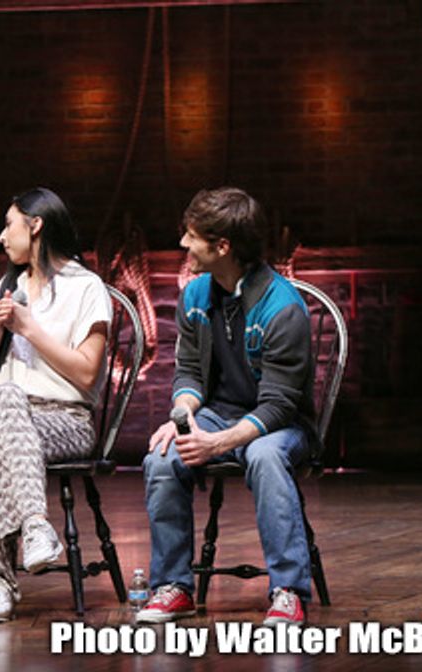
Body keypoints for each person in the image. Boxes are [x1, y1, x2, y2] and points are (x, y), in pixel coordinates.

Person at [138, 187, 317, 625]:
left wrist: (216, 443)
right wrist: (183, 418)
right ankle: (173, 586)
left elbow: (277, 406)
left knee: (265, 455)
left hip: (283, 425)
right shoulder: (196, 294)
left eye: (192, 236)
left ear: (222, 247)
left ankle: (289, 590)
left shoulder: (282, 307)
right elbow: (188, 373)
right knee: (161, 457)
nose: (183, 244)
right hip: (219, 414)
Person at [0, 187, 111, 622]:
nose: (1, 237)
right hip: (10, 411)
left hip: (65, 419)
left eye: (9, 225)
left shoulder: (86, 287)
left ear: (36, 225)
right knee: (3, 398)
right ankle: (33, 525)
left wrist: (30, 329)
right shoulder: (9, 284)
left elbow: (87, 373)